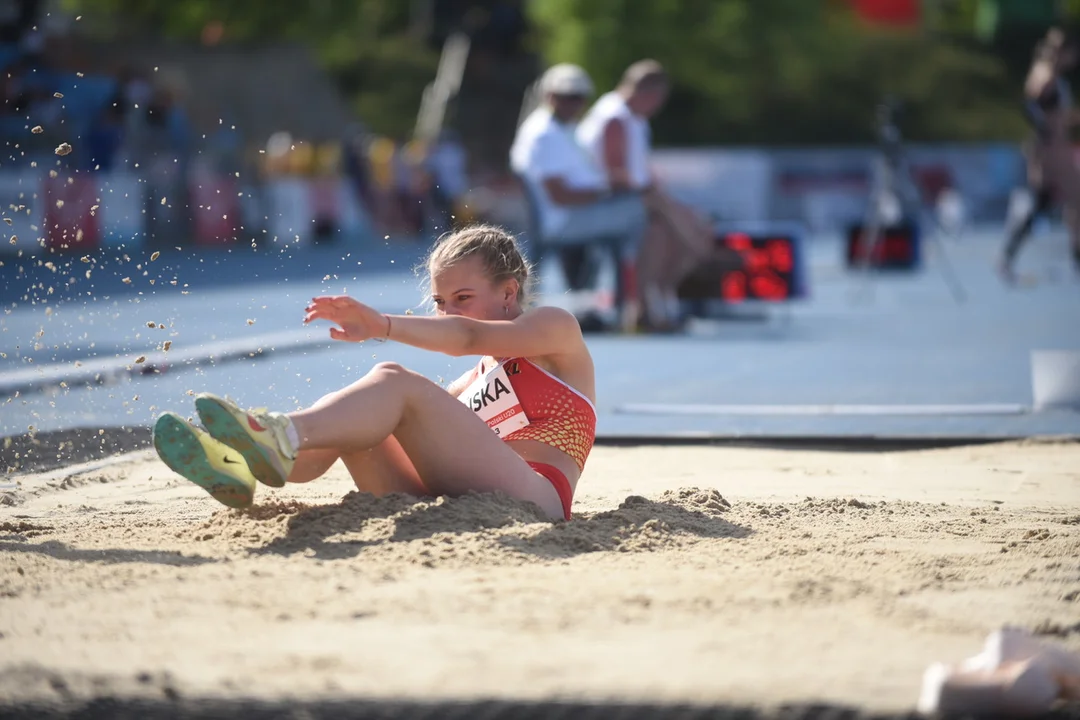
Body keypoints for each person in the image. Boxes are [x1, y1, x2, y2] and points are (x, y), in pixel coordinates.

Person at [151, 224, 597, 522]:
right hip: (462, 501)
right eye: (441, 303)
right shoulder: (472, 381)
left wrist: (382, 325)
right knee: (365, 423)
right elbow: (460, 349)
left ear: (509, 292)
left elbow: (465, 337)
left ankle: (278, 434)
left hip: (537, 502)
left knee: (393, 379)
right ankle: (243, 463)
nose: (447, 314)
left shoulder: (555, 329)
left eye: (462, 298)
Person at [577, 59, 728, 331]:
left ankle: (655, 298)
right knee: (668, 224)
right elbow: (615, 174)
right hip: (605, 202)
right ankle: (686, 269)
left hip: (627, 198)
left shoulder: (633, 119)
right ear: (651, 95)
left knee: (668, 226)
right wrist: (652, 191)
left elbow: (640, 173)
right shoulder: (615, 118)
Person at [510, 63, 648, 331]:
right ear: (549, 96)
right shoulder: (545, 134)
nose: (573, 103)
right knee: (642, 213)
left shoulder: (561, 128)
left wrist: (607, 188)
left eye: (579, 97)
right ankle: (638, 305)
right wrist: (608, 189)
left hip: (573, 213)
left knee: (645, 209)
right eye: (566, 96)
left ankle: (619, 302)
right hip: (564, 219)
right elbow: (561, 196)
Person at [1000, 28, 1080, 282]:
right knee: (1054, 203)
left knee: (1057, 205)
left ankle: (1009, 257)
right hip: (1049, 151)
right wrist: (1045, 133)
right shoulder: (1044, 73)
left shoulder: (1057, 77)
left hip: (1058, 148)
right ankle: (1007, 258)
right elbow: (1031, 105)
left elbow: (1054, 114)